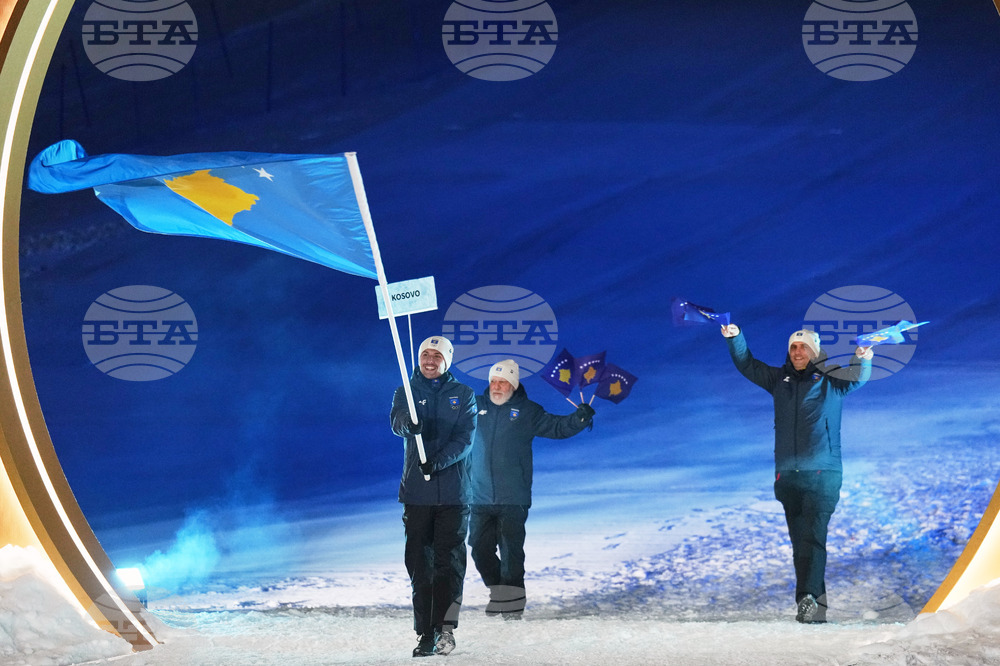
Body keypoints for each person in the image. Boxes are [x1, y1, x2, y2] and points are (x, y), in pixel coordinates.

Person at [721, 324, 873, 624]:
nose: (798, 352)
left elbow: (858, 377)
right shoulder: (780, 380)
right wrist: (736, 338)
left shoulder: (832, 378)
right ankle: (814, 611)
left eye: (803, 347)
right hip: (788, 476)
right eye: (793, 347)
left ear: (815, 351)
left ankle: (808, 597)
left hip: (823, 473)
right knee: (801, 543)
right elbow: (747, 364)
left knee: (813, 538)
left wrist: (862, 357)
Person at [468, 359, 595, 619]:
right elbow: (447, 421)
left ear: (513, 385)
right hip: (478, 495)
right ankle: (499, 593)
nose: (496, 386)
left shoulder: (528, 411)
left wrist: (579, 419)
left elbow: (557, 427)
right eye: (493, 381)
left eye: (503, 381)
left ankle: (512, 610)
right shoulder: (475, 407)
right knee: (479, 550)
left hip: (513, 496)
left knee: (511, 553)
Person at [391, 336, 477, 657]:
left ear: (447, 360)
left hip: (454, 494)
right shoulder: (406, 392)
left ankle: (446, 629)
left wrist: (437, 460)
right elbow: (397, 421)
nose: (429, 360)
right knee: (419, 563)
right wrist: (408, 424)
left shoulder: (464, 395)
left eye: (436, 356)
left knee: (449, 563)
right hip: (417, 493)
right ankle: (424, 632)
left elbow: (464, 439)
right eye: (424, 354)